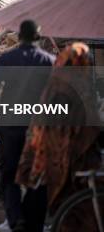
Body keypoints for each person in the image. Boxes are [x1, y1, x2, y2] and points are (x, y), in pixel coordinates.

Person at [16, 42, 101, 232]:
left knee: (45, 197)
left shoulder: (54, 84)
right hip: (66, 153)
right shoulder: (77, 86)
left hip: (45, 151)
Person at [0, 20, 55, 231]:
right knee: (38, 176)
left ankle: (16, 219)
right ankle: (34, 222)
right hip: (39, 131)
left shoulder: (6, 59)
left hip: (11, 128)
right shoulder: (50, 61)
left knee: (10, 175)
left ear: (19, 36)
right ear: (38, 36)